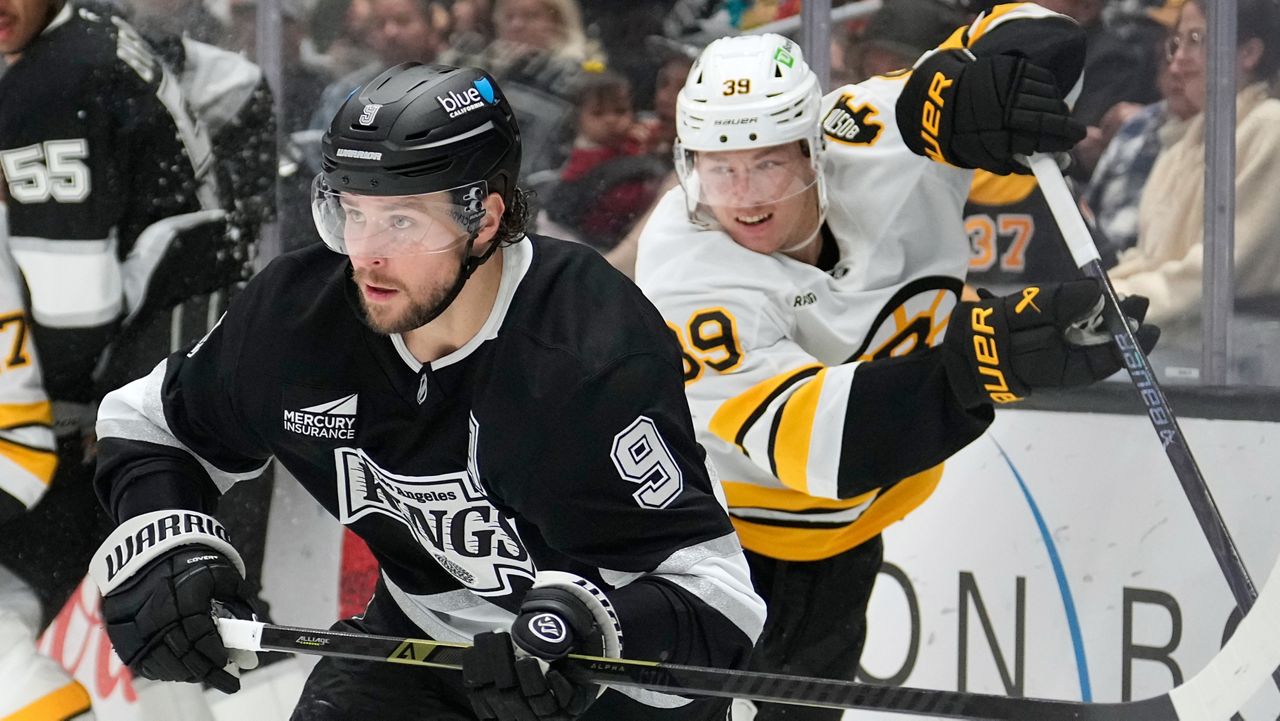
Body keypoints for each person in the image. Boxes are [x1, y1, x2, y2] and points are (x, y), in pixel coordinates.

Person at [87, 62, 766, 721]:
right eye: (352, 213)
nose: (366, 255)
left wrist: (591, 628)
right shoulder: (297, 317)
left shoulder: (589, 351)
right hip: (420, 644)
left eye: (403, 221)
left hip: (603, 682)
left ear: (486, 218)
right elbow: (150, 423)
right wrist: (165, 540)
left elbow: (720, 600)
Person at [634, 12, 1158, 721]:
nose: (746, 197)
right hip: (728, 550)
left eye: (767, 162)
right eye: (719, 169)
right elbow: (823, 449)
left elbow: (1038, 27)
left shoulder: (877, 135)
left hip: (852, 540)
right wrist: (990, 357)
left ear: (815, 147)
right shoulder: (686, 264)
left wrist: (989, 86)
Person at [0, 0, 235, 717]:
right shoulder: (89, 40)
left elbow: (76, 312)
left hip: (120, 403)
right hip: (175, 363)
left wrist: (39, 412)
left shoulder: (53, 83)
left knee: (148, 620)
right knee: (152, 629)